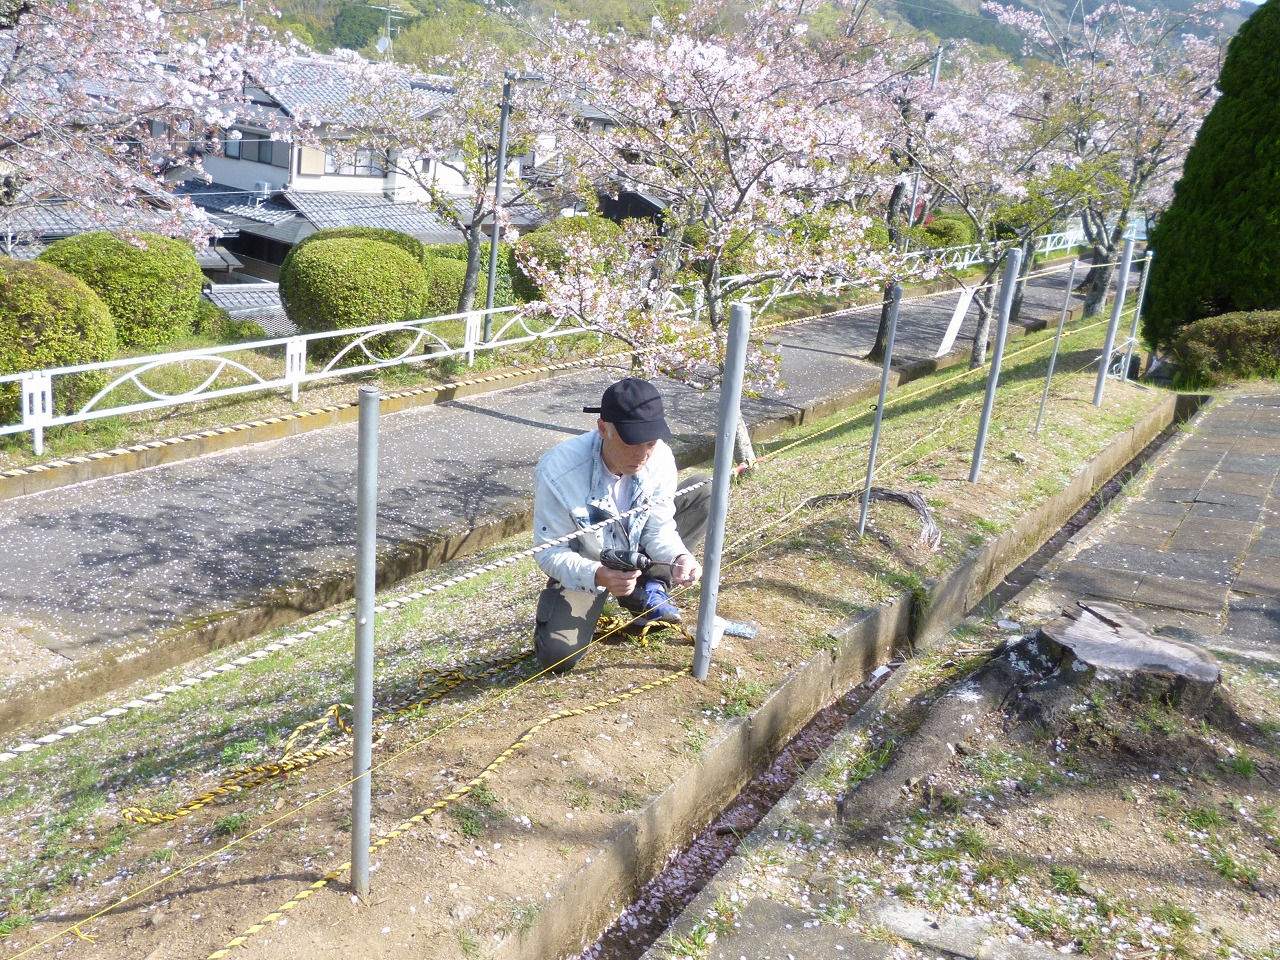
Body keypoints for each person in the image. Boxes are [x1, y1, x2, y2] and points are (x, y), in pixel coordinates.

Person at [532, 377, 711, 673]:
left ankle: (651, 586)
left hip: (635, 546)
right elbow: (549, 552)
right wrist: (598, 575)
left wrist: (679, 557)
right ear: (603, 429)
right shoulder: (558, 470)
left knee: (705, 488)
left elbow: (659, 528)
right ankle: (589, 603)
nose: (642, 455)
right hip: (589, 562)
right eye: (631, 443)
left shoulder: (660, 457)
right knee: (557, 657)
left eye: (650, 444)